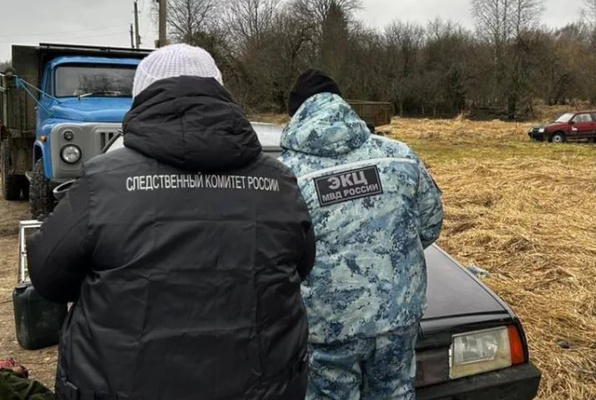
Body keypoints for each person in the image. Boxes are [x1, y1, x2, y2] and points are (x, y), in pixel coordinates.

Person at [27, 44, 315, 400]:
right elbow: (302, 266)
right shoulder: (279, 182)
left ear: (142, 98)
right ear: (221, 93)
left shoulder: (103, 182)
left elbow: (47, 276)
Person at [278, 70, 444, 400]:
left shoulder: (285, 175)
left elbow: (279, 256)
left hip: (327, 328)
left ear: (295, 114)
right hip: (398, 316)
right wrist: (391, 256)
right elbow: (430, 223)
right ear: (344, 105)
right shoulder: (400, 156)